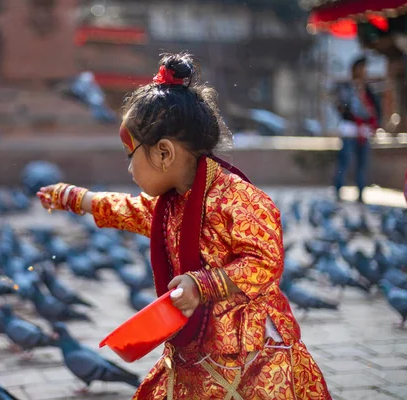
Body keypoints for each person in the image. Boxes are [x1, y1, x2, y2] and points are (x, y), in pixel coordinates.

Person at [36, 53, 331, 399]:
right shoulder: (173, 202)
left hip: (253, 355)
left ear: (164, 153)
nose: (129, 170)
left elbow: (265, 262)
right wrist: (76, 198)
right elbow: (131, 209)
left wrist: (202, 284)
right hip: (195, 350)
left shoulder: (239, 199)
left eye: (131, 156)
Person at [333, 56, 381, 203]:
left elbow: (376, 109)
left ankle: (360, 192)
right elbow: (341, 107)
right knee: (344, 162)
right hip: (349, 130)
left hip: (364, 132)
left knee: (362, 164)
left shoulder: (367, 90)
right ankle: (338, 189)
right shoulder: (347, 88)